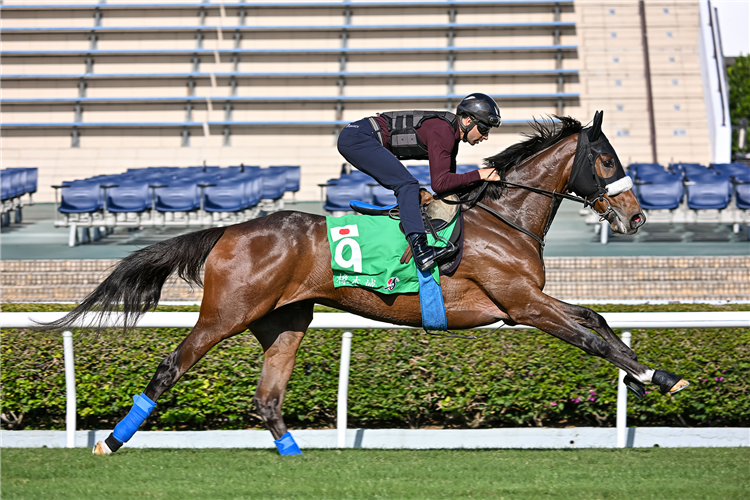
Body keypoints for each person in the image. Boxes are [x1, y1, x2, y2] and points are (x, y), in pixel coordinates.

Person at [337, 93, 503, 271]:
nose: (485, 136)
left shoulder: (451, 136)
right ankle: (421, 251)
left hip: (361, 135)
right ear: (469, 120)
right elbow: (440, 183)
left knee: (410, 186)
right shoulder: (444, 131)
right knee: (407, 185)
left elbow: (448, 185)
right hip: (358, 137)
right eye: (485, 128)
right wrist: (479, 174)